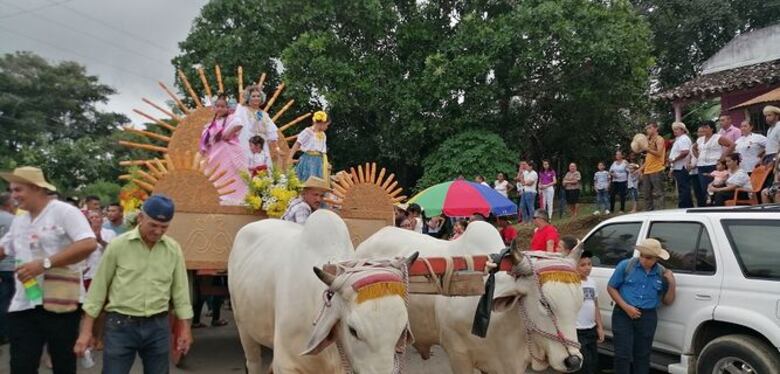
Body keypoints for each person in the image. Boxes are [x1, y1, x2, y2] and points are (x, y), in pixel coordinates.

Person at [75, 195, 193, 373]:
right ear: (140, 218)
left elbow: (180, 292)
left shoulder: (173, 249)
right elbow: (98, 290)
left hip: (158, 327)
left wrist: (184, 329)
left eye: (164, 227)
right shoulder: (118, 246)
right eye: (153, 225)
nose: (158, 231)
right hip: (120, 326)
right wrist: (86, 332)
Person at [0, 167, 97, 374]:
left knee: (63, 364)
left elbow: (88, 243)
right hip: (24, 302)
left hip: (59, 304)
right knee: (21, 365)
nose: (14, 196)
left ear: (36, 188)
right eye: (12, 191)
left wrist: (44, 264)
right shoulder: (20, 218)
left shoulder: (64, 212)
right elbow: (4, 248)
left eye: (18, 190)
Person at [608, 238, 676, 374]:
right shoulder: (626, 266)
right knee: (622, 354)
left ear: (657, 258)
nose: (644, 260)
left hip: (648, 317)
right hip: (623, 313)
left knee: (643, 355)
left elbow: (667, 301)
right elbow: (611, 287)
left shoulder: (661, 273)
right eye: (642, 256)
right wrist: (626, 307)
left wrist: (672, 283)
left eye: (649, 258)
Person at [199, 94, 248, 204]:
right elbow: (206, 140)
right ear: (214, 108)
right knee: (217, 176)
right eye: (218, 106)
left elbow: (239, 124)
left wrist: (228, 133)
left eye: (223, 106)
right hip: (215, 155)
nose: (220, 109)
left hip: (229, 152)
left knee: (233, 175)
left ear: (227, 108)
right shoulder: (211, 124)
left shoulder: (231, 118)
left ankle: (237, 198)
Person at [234, 85, 282, 170]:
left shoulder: (264, 115)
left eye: (258, 96)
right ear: (248, 98)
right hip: (247, 144)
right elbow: (235, 123)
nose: (256, 98)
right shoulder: (242, 110)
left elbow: (272, 132)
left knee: (262, 170)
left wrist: (277, 148)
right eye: (253, 96)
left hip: (262, 146)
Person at [575, 250, 605, 374]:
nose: (587, 268)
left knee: (593, 362)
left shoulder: (592, 282)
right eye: (582, 265)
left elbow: (595, 305)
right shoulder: (572, 283)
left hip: (591, 329)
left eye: (589, 264)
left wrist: (600, 327)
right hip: (577, 330)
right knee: (584, 365)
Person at [692, 120, 735, 206]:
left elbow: (732, 145)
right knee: (704, 188)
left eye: (706, 127)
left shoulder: (717, 137)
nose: (704, 129)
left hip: (713, 165)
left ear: (712, 128)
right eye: (703, 127)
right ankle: (708, 205)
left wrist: (722, 157)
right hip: (702, 166)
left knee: (715, 186)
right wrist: (699, 157)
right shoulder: (700, 139)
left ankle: (715, 205)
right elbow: (693, 148)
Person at [288, 111, 330, 182]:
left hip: (318, 161)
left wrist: (326, 162)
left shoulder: (323, 135)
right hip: (308, 159)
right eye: (327, 125)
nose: (327, 127)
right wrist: (290, 157)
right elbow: (297, 144)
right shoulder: (308, 132)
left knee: (317, 180)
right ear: (321, 123)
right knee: (307, 178)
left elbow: (322, 150)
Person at [638, 122, 667, 211]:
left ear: (656, 128)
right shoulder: (649, 141)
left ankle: (660, 213)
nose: (648, 130)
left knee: (658, 193)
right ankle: (648, 213)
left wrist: (647, 149)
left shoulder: (659, 139)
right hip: (647, 170)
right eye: (647, 128)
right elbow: (649, 159)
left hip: (657, 169)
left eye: (650, 128)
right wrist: (640, 169)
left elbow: (659, 153)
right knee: (646, 194)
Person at [0, 192, 16, 346]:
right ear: (7, 204)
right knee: (9, 300)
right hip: (10, 266)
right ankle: (5, 333)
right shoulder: (14, 220)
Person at [668, 122, 693, 208]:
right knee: (682, 188)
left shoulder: (683, 139)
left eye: (676, 129)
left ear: (682, 130)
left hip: (682, 167)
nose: (674, 131)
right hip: (678, 167)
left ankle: (684, 206)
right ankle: (686, 206)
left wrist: (674, 159)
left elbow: (685, 152)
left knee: (684, 188)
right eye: (674, 129)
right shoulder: (679, 139)